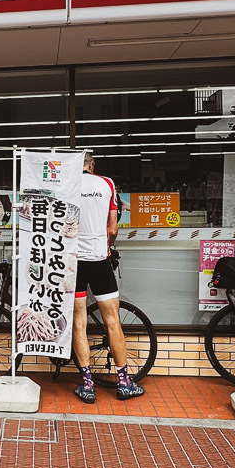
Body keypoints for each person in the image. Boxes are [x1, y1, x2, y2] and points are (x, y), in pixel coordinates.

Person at [72, 151, 144, 402]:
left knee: (79, 321)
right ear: (91, 165)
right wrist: (107, 245)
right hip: (99, 260)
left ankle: (88, 385)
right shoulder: (106, 184)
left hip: (74, 262)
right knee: (112, 320)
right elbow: (112, 228)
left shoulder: (67, 187)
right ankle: (124, 382)